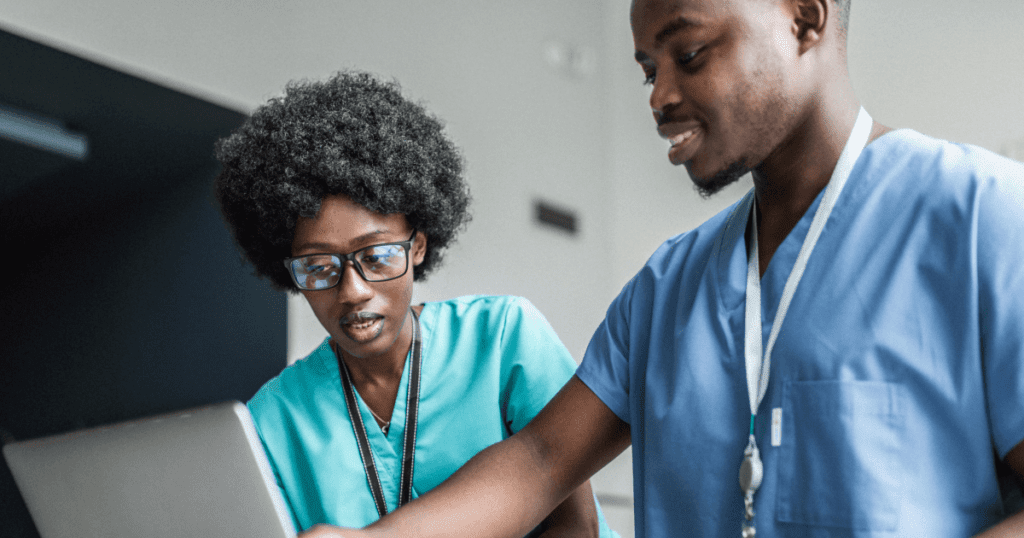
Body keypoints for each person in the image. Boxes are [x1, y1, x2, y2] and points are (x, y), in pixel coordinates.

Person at [298, 0, 1024, 537]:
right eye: (649, 69)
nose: (659, 98)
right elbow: (543, 461)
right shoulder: (670, 286)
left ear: (804, 17)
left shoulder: (982, 217)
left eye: (691, 54)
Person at [213, 71, 617, 537]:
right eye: (318, 267)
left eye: (378, 256)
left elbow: (578, 527)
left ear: (418, 246)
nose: (352, 291)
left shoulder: (503, 337)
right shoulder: (274, 419)